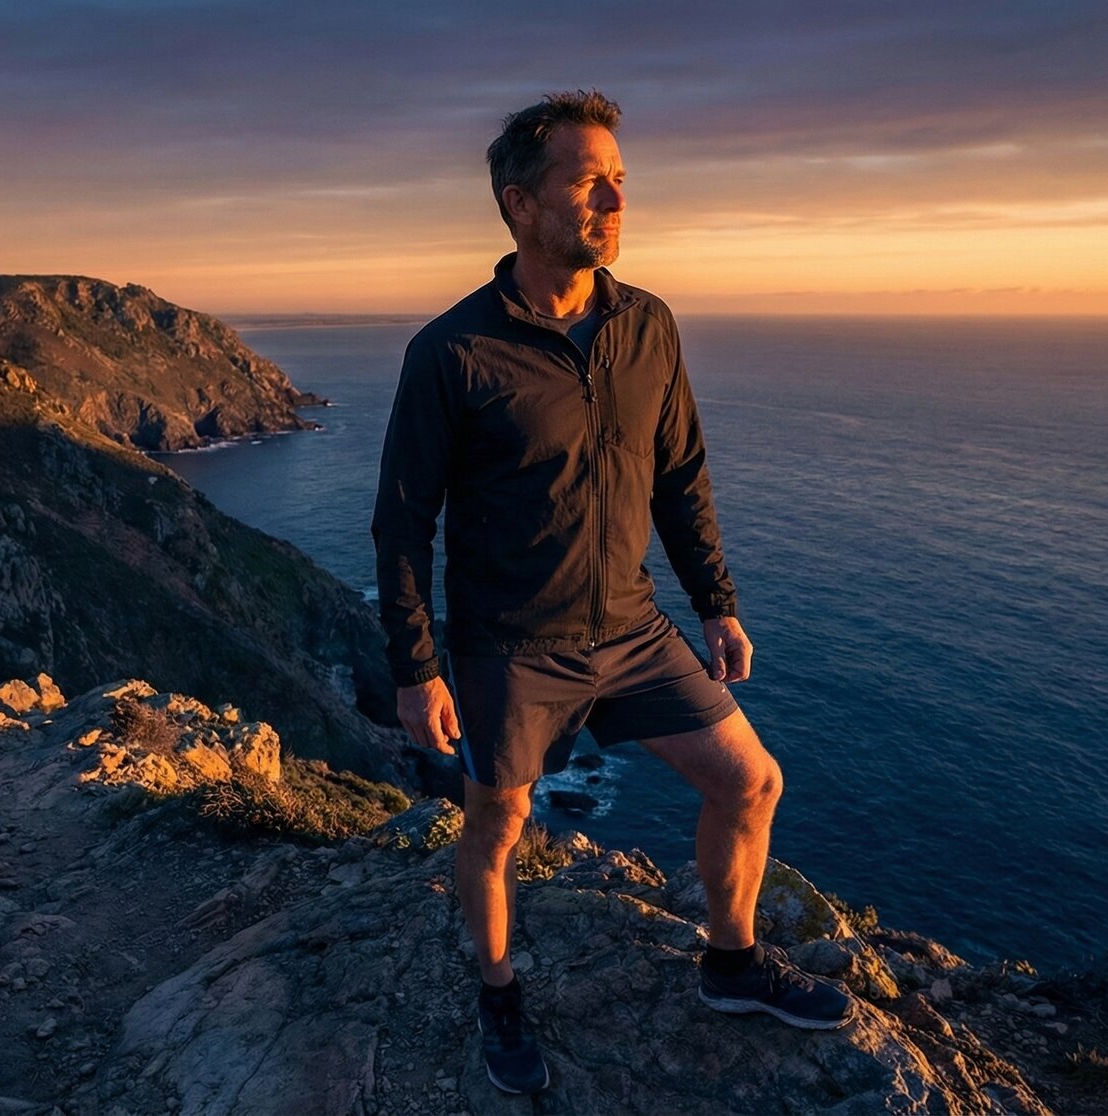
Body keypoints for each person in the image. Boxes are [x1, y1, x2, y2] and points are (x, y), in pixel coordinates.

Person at [369, 89, 855, 1096]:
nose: (612, 201)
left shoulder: (647, 325)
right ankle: (497, 989)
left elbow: (677, 472)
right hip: (511, 645)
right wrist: (417, 670)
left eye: (619, 182)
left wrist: (715, 603)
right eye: (586, 182)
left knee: (749, 781)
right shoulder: (451, 352)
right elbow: (402, 522)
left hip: (631, 629)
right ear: (518, 203)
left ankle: (729, 965)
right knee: (496, 827)